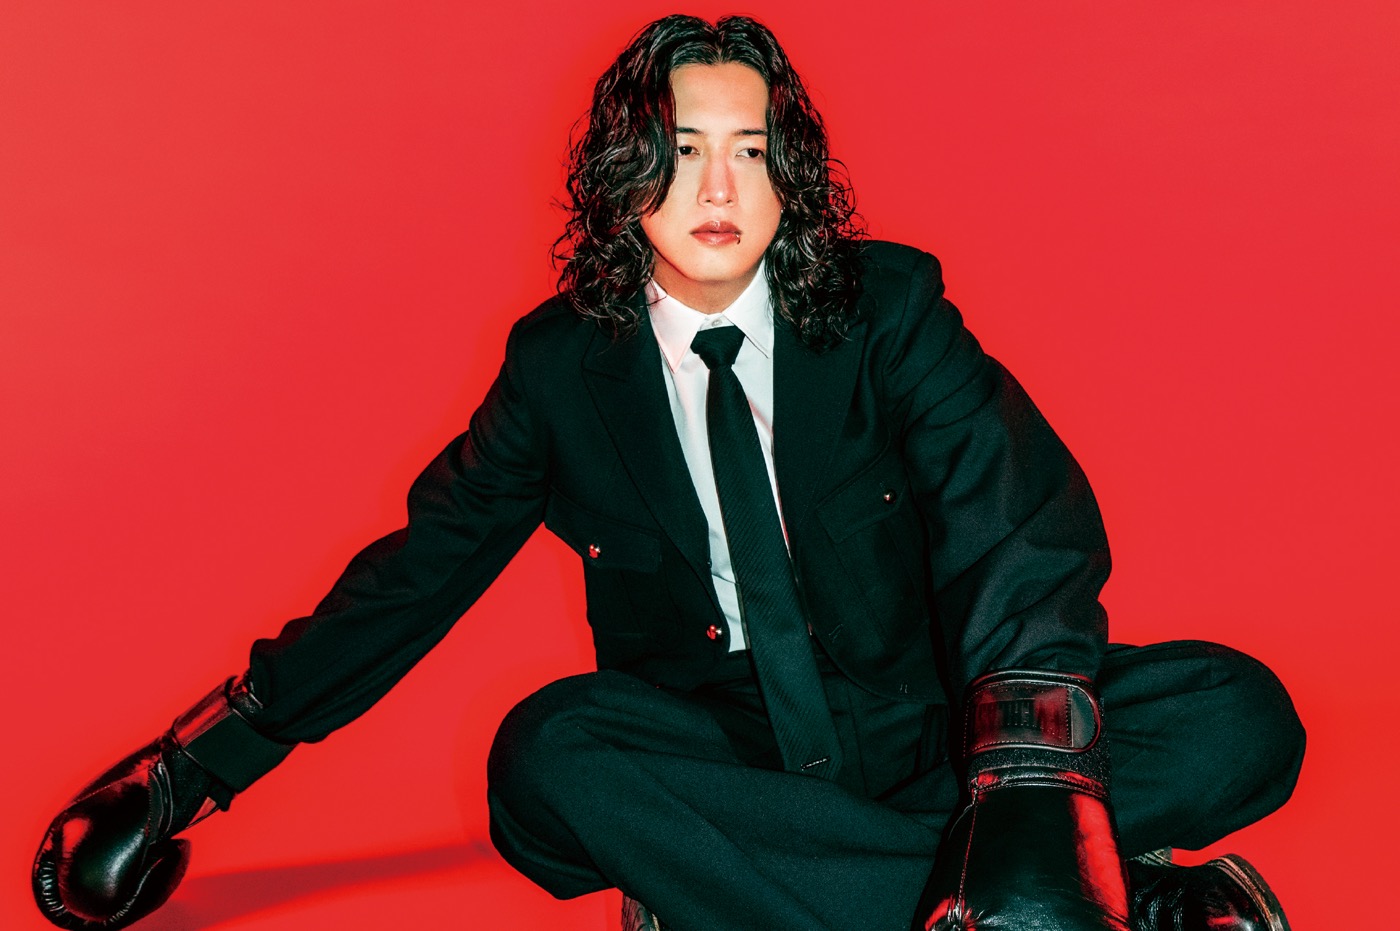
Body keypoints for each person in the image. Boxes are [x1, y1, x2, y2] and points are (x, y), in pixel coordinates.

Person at [32, 14, 1304, 931]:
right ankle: (1110, 901)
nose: (717, 186)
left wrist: (1027, 772)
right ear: (621, 175)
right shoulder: (558, 369)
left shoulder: (887, 307)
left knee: (1237, 711)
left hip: (928, 718)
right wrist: (190, 770)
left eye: (749, 150)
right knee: (548, 759)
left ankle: (804, 883)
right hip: (720, 749)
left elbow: (1009, 512)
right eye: (682, 149)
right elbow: (416, 576)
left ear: (788, 176)